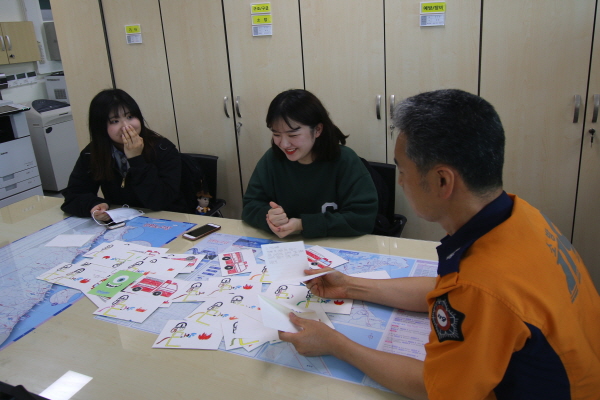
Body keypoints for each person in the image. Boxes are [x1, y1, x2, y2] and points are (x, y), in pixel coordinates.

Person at [279, 89, 600, 399]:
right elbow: (450, 289)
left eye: (402, 170)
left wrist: (335, 344)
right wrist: (350, 286)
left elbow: (434, 387)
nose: (399, 182)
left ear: (442, 181)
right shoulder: (521, 215)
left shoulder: (480, 287)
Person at [242, 89, 378, 238]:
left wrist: (302, 225)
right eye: (276, 134)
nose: (284, 144)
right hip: (285, 246)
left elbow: (362, 218)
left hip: (334, 245)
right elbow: (250, 206)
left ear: (317, 130)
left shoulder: (345, 161)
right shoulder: (272, 159)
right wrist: (269, 217)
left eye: (293, 135)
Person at [61, 89, 188, 221]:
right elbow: (73, 195)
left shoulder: (163, 149)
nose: (126, 126)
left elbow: (161, 201)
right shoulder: (93, 152)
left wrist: (136, 159)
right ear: (100, 127)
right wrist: (94, 204)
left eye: (130, 117)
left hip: (166, 220)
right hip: (123, 223)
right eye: (114, 121)